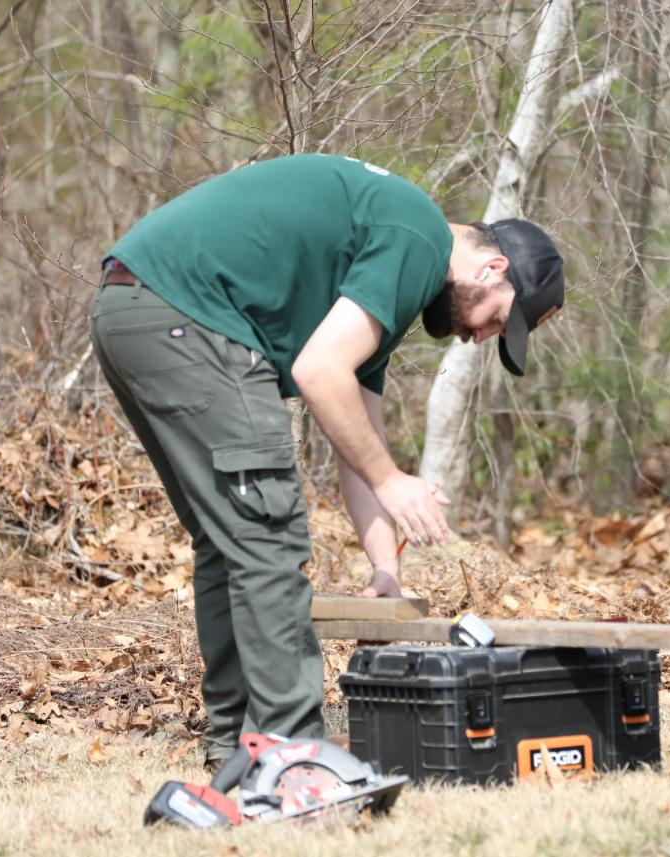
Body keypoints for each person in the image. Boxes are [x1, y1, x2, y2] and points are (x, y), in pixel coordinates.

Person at [88, 153, 564, 768]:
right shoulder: (419, 237)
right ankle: (293, 754)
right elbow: (319, 373)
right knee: (267, 534)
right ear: (491, 269)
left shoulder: (393, 258)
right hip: (187, 315)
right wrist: (392, 481)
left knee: (232, 537)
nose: (479, 337)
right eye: (496, 320)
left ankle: (239, 751)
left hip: (131, 308)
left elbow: (358, 437)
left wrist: (385, 569)